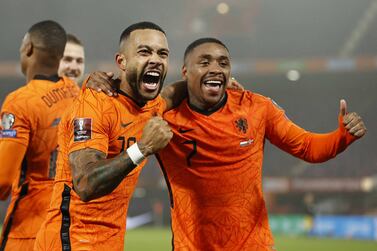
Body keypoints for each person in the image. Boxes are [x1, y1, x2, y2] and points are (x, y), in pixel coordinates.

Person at [154, 38, 366, 250]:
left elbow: (307, 146)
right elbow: (138, 116)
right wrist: (175, 91)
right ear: (184, 71)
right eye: (204, 62)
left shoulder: (256, 107)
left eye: (223, 63)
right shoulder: (165, 120)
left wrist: (342, 137)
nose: (216, 69)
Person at [34, 21, 179, 251]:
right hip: (68, 240)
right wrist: (142, 148)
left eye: (163, 53)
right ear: (121, 61)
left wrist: (225, 85)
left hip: (110, 243)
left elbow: (178, 91)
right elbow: (84, 184)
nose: (155, 59)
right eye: (144, 51)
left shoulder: (153, 106)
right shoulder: (94, 103)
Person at [0, 20, 80, 251]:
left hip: (29, 229)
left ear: (29, 48)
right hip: (69, 226)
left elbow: (3, 181)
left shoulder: (20, 102)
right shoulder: (77, 94)